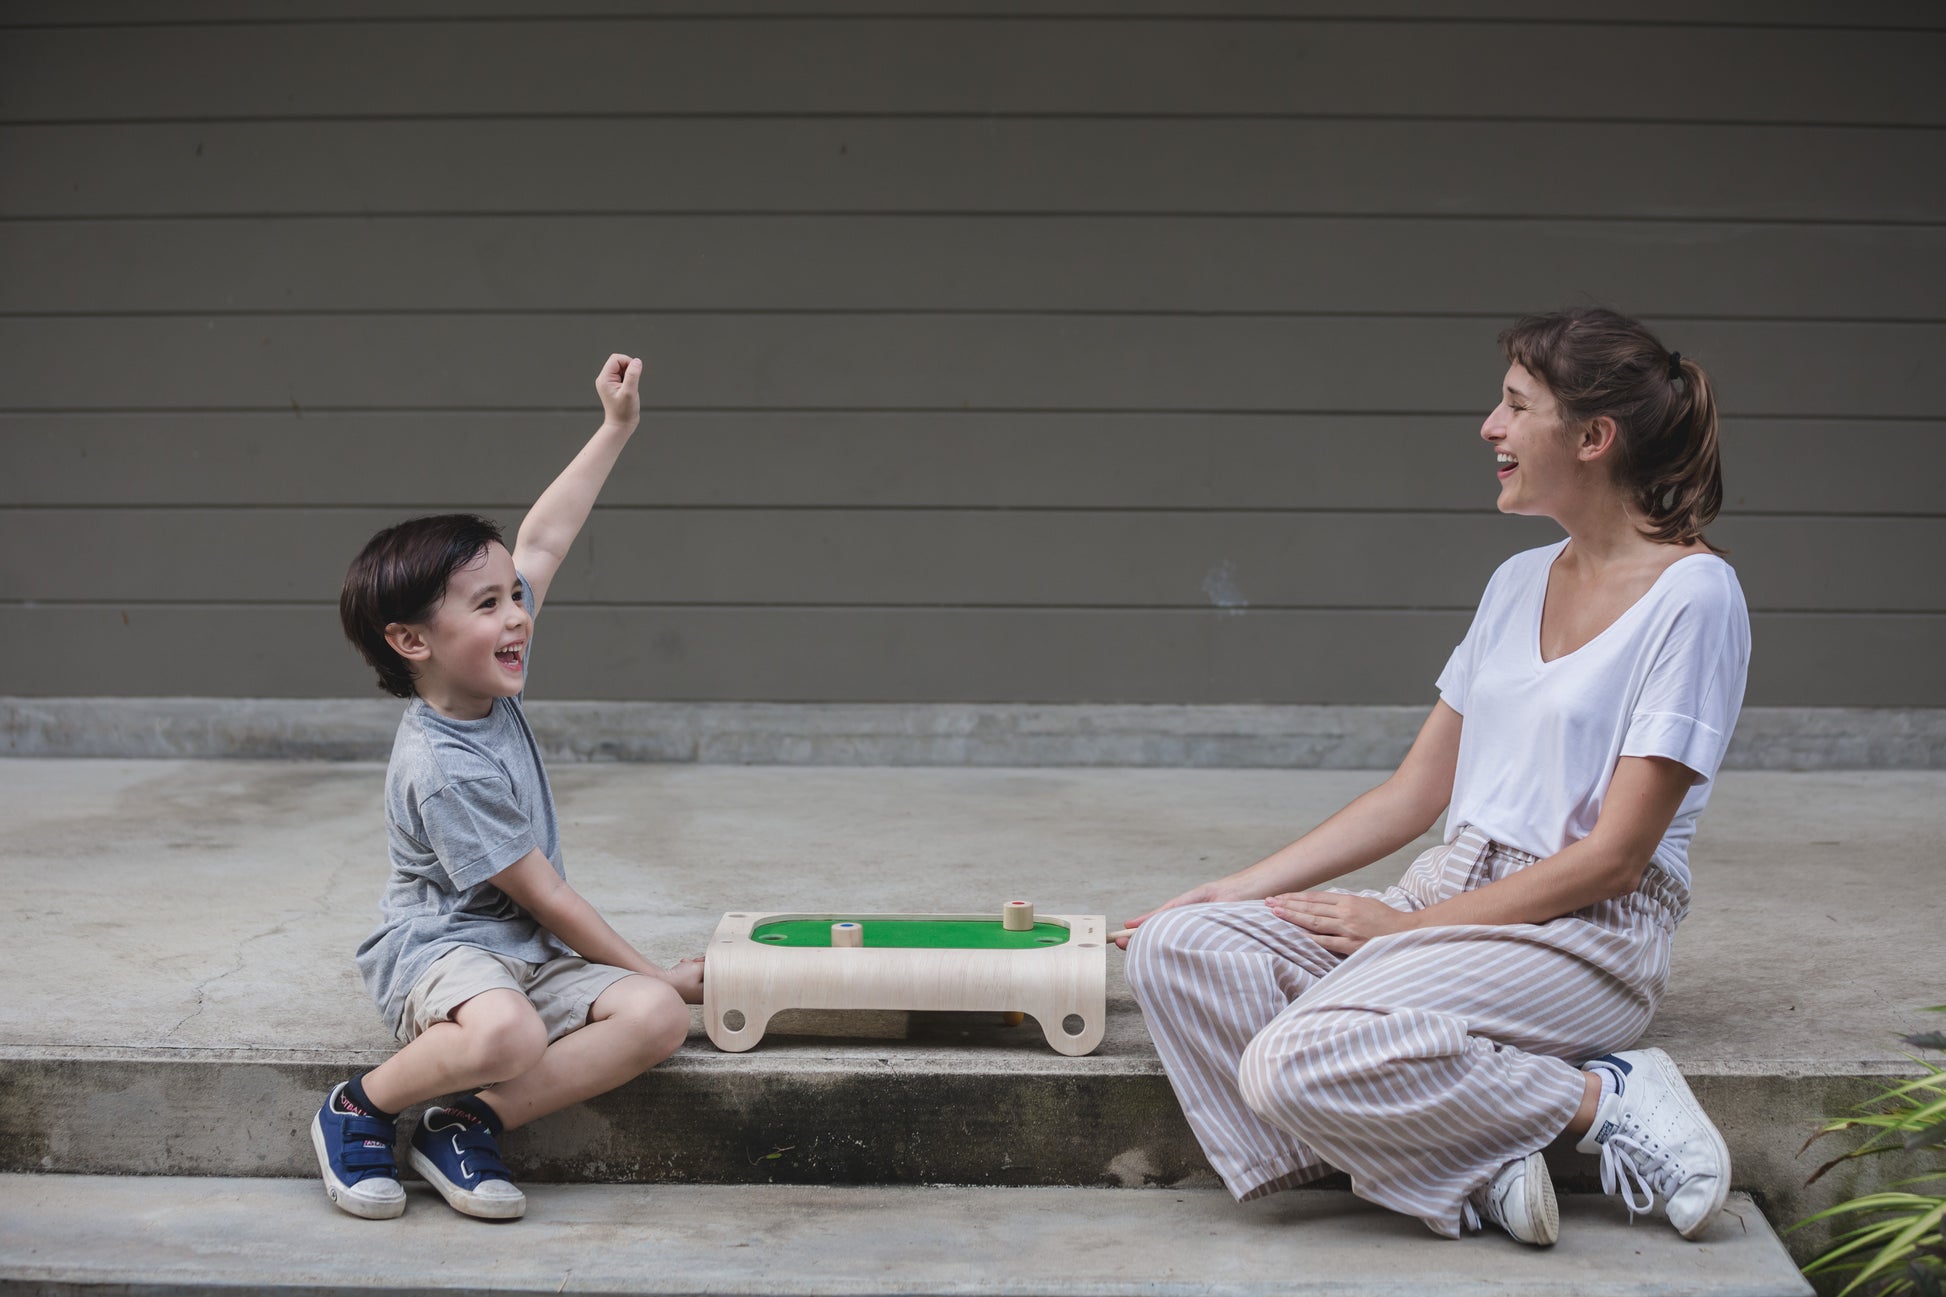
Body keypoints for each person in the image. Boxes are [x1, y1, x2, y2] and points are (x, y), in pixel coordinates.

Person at [1116, 307, 1750, 1246]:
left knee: (1288, 1059)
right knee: (1176, 947)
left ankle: (1603, 1096)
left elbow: (1616, 857)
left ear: (1593, 437)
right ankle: (1464, 1159)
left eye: (1517, 405)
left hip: (1582, 933)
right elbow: (1415, 794)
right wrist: (1232, 889)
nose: (1490, 427)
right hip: (1450, 892)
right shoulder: (1517, 581)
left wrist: (1409, 931)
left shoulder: (1694, 597)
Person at [316, 354, 702, 1221]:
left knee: (654, 1020)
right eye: (488, 604)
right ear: (412, 641)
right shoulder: (443, 765)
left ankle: (465, 1123)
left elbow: (546, 538)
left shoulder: (485, 677)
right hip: (443, 953)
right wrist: (661, 970)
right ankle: (359, 1108)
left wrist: (616, 426)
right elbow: (550, 896)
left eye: (514, 597)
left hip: (521, 953)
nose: (519, 613)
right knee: (510, 1031)